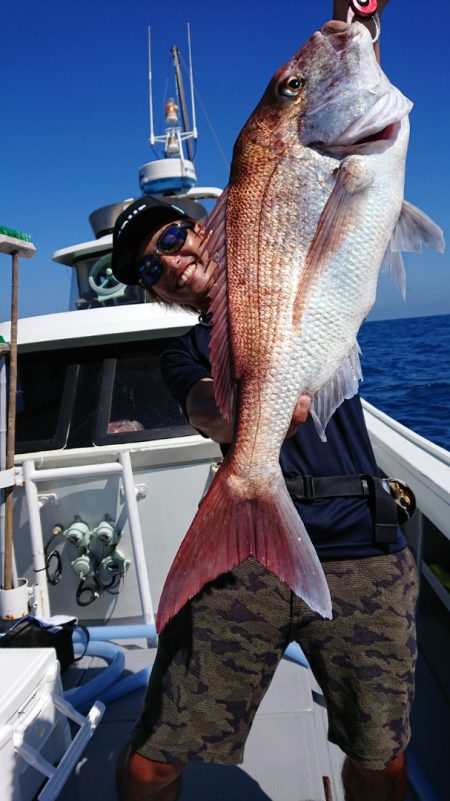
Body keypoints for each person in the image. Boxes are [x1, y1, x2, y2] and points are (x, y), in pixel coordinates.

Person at [112, 3, 418, 801]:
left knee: (382, 756)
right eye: (149, 270)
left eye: (173, 241)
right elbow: (209, 410)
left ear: (200, 230)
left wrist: (358, 27)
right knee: (153, 755)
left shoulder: (283, 207)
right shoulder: (186, 346)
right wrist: (246, 409)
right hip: (247, 547)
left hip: (358, 538)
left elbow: (322, 125)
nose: (170, 265)